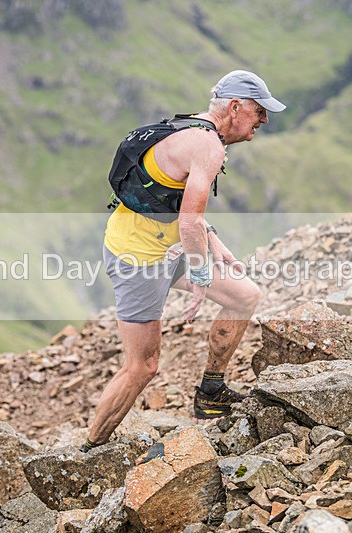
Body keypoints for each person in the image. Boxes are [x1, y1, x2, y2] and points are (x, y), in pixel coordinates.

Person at [81, 70, 286, 452]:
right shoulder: (208, 147)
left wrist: (211, 239)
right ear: (236, 107)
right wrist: (201, 271)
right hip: (137, 258)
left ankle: (211, 392)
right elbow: (189, 217)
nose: (264, 120)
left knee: (244, 296)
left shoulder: (190, 127)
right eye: (259, 111)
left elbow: (179, 204)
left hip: (169, 245)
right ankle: (89, 450)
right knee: (142, 367)